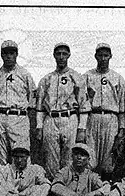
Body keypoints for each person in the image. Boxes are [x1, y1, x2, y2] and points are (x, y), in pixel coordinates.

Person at [36, 43, 90, 180]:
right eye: (58, 54)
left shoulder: (76, 77)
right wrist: (39, 126)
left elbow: (84, 104)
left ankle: (68, 191)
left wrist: (82, 128)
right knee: (50, 158)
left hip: (69, 117)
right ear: (54, 56)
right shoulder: (46, 79)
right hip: (51, 118)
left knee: (69, 157)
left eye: (64, 54)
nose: (61, 57)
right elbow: (40, 107)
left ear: (69, 55)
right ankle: (53, 191)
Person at [0, 40, 36, 173]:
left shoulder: (25, 74)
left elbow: (32, 100)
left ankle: (24, 187)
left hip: (18, 117)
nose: (8, 56)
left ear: (16, 54)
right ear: (1, 55)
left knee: (22, 154)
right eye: (5, 53)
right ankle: (2, 187)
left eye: (11, 53)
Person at [83, 43, 125, 179]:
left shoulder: (117, 77)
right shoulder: (87, 76)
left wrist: (122, 128)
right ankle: (90, 191)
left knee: (108, 160)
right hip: (93, 117)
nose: (103, 58)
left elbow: (122, 105)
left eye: (106, 55)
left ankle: (105, 193)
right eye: (100, 55)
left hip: (111, 118)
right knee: (91, 158)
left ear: (110, 56)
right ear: (95, 56)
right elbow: (82, 103)